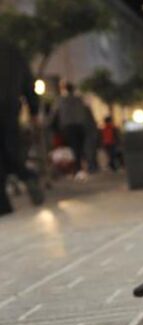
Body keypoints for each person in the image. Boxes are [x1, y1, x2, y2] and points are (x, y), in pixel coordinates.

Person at [0, 38, 43, 215]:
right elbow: (27, 81)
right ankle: (26, 175)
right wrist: (34, 110)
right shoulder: (11, 50)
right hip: (9, 108)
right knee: (9, 149)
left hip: (8, 106)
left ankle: (3, 203)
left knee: (4, 155)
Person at [51, 82, 94, 179]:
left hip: (68, 127)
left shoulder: (61, 100)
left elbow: (54, 114)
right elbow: (86, 113)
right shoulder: (79, 100)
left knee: (73, 149)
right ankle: (80, 168)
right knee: (79, 148)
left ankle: (77, 169)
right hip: (79, 126)